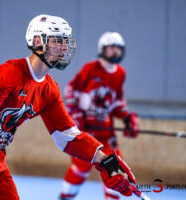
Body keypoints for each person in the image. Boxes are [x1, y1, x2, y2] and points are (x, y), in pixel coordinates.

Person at [0, 15, 136, 200]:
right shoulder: (10, 72)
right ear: (37, 41)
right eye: (57, 41)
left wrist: (106, 160)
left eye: (65, 41)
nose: (64, 47)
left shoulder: (49, 90)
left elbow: (68, 136)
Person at [58, 32, 139, 200]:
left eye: (118, 48)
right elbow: (71, 89)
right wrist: (76, 115)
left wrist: (126, 118)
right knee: (80, 167)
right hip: (87, 130)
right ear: (102, 49)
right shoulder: (91, 68)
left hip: (106, 132)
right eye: (111, 48)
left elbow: (117, 101)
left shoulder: (120, 73)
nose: (115, 51)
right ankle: (65, 196)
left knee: (115, 168)